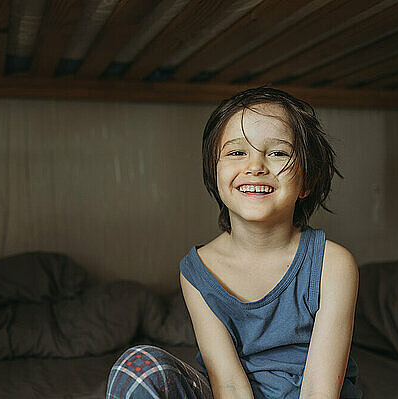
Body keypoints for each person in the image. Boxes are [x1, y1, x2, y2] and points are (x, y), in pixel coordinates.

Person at [106, 87, 363, 399]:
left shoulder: (332, 265)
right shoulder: (197, 270)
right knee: (138, 367)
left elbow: (320, 391)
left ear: (306, 181)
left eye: (278, 152)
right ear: (216, 172)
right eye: (237, 152)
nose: (255, 166)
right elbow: (227, 383)